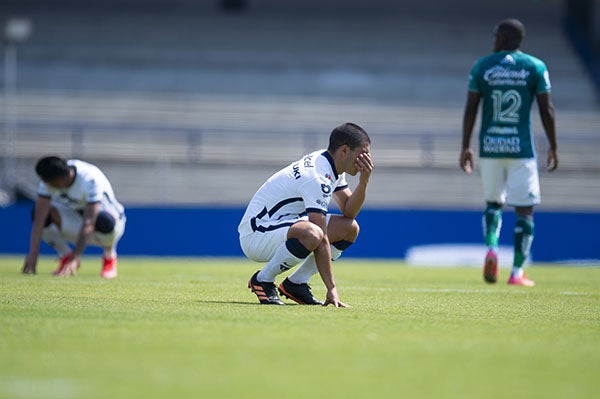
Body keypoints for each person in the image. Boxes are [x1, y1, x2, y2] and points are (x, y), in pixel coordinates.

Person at [460, 18, 558, 286]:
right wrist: (553, 145)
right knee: (524, 209)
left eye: (496, 37)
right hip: (521, 148)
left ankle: (491, 248)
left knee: (493, 203)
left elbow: (471, 108)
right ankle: (516, 272)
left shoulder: (483, 66)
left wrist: (465, 146)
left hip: (490, 146)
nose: (493, 41)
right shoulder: (535, 66)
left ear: (503, 38)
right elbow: (546, 110)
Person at [238, 122, 373, 307]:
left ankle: (296, 284)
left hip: (278, 224)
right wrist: (331, 288)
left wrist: (363, 183)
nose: (366, 160)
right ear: (344, 151)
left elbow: (349, 210)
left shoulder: (329, 162)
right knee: (313, 233)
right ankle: (263, 279)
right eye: (362, 154)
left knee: (350, 229)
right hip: (256, 234)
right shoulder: (317, 177)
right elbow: (320, 235)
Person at [22, 156, 126, 278]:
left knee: (104, 220)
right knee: (39, 213)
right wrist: (33, 254)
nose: (47, 185)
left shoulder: (89, 179)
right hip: (78, 221)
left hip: (111, 225)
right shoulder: (51, 178)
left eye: (50, 183)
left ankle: (109, 257)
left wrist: (75, 258)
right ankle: (65, 256)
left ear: (60, 179)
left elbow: (89, 222)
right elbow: (39, 218)